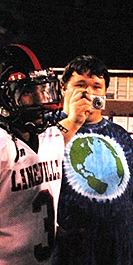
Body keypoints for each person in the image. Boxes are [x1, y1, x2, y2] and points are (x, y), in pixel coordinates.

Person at [53, 55, 133, 265]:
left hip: (118, 250)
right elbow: (39, 158)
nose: (89, 93)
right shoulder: (48, 129)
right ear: (64, 89)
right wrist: (72, 121)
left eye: (96, 86)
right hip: (68, 253)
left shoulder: (121, 135)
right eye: (80, 85)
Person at [0, 44, 88, 264]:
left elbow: (62, 132)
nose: (41, 99)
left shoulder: (47, 139)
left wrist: (60, 235)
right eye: (29, 92)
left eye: (43, 89)